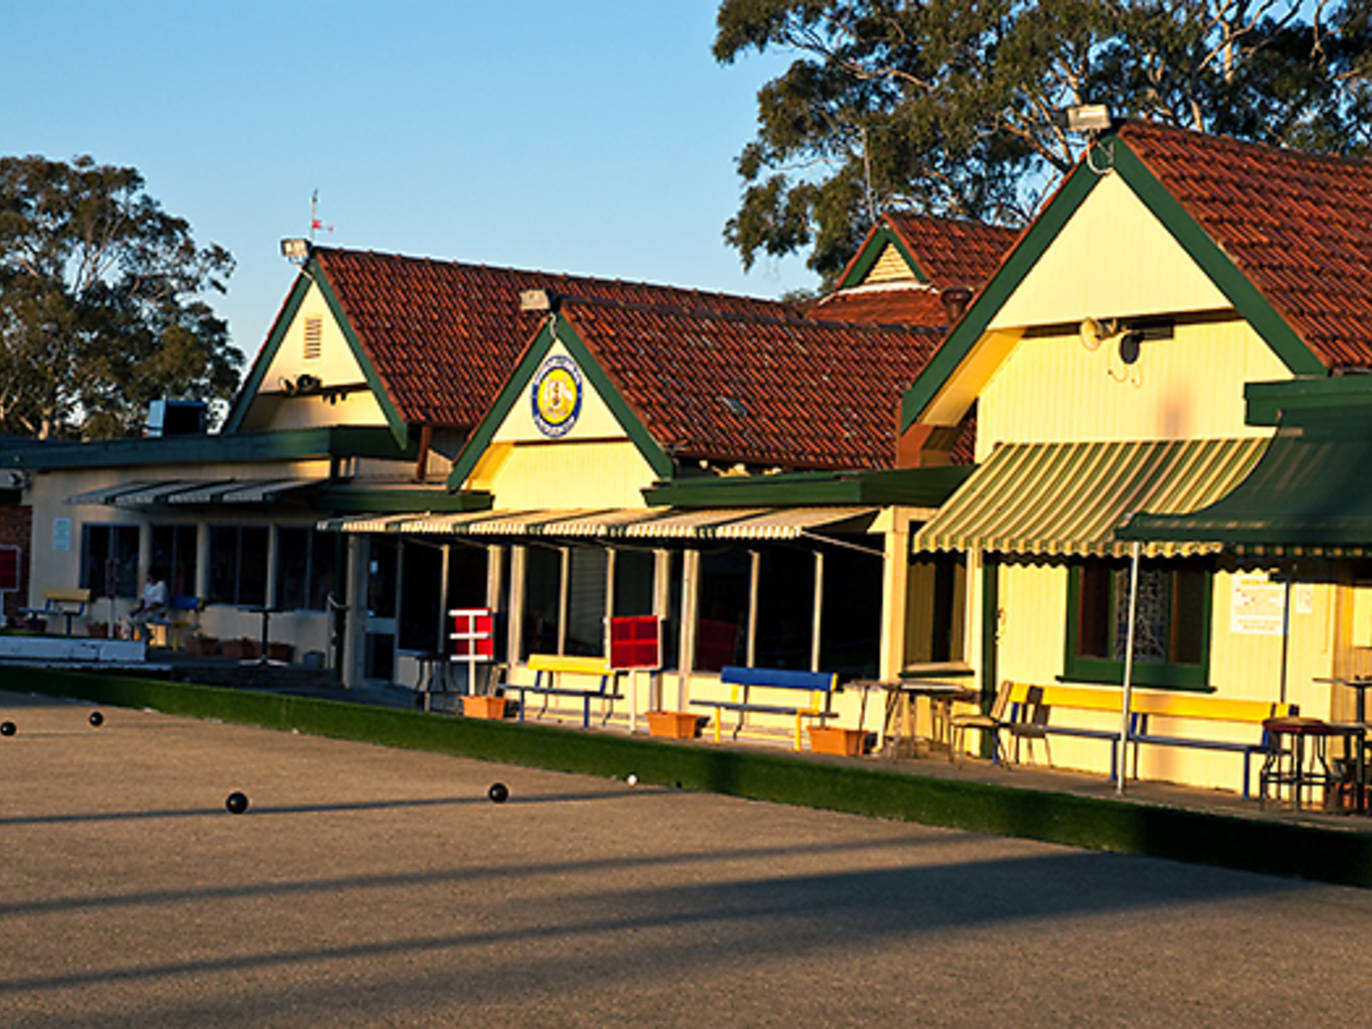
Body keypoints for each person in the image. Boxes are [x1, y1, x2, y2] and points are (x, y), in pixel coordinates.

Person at [120, 567, 168, 642]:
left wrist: (145, 610)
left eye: (149, 575)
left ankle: (145, 636)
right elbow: (143, 599)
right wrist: (138, 610)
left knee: (137, 619)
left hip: (156, 611)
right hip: (145, 610)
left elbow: (159, 603)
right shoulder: (148, 586)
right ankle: (128, 638)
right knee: (127, 617)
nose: (147, 577)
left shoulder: (161, 585)